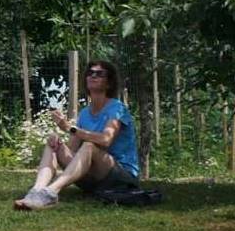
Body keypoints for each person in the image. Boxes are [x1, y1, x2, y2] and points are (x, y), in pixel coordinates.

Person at [16, 59, 141, 209]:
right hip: (93, 179)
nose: (93, 76)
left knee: (89, 146)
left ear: (109, 83)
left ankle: (50, 192)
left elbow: (106, 139)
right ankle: (36, 191)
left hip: (121, 178)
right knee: (53, 145)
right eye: (90, 73)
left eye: (99, 74)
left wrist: (70, 128)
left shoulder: (117, 108)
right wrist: (59, 144)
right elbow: (72, 151)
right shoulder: (85, 113)